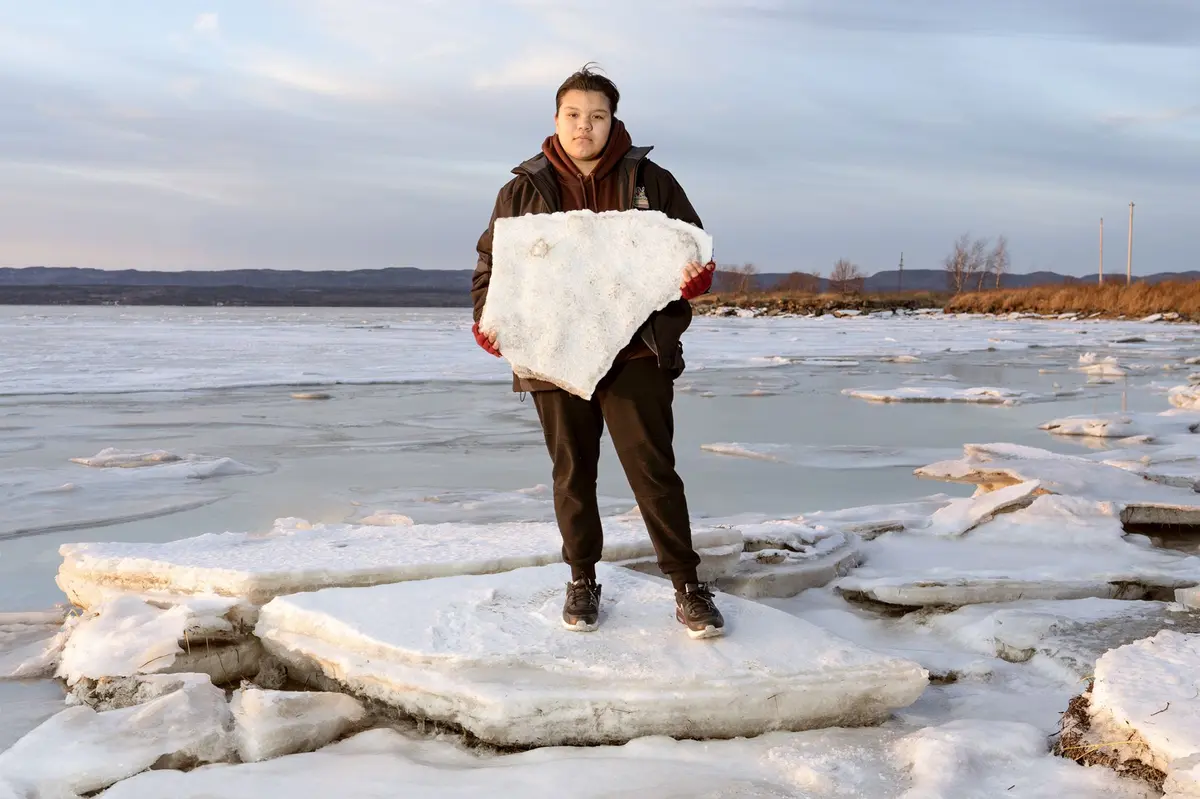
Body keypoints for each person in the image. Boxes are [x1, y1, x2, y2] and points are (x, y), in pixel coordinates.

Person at [469, 64, 723, 640]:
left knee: (653, 473)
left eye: (597, 116)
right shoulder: (522, 190)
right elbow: (493, 266)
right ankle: (582, 578)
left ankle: (686, 585)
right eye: (574, 115)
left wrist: (694, 278)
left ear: (614, 122)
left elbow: (693, 244)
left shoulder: (651, 181)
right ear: (556, 119)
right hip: (552, 353)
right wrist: (488, 321)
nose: (585, 127)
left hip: (636, 354)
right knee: (573, 473)